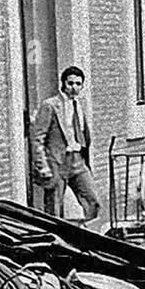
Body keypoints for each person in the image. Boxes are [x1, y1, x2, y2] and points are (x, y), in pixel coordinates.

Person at [31, 66, 101, 224]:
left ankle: (85, 237)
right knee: (54, 211)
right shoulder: (50, 105)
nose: (74, 88)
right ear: (63, 84)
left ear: (82, 86)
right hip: (57, 162)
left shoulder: (79, 105)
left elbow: (83, 134)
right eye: (70, 83)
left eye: (78, 84)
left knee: (93, 201)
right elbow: (37, 137)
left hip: (77, 161)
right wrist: (42, 166)